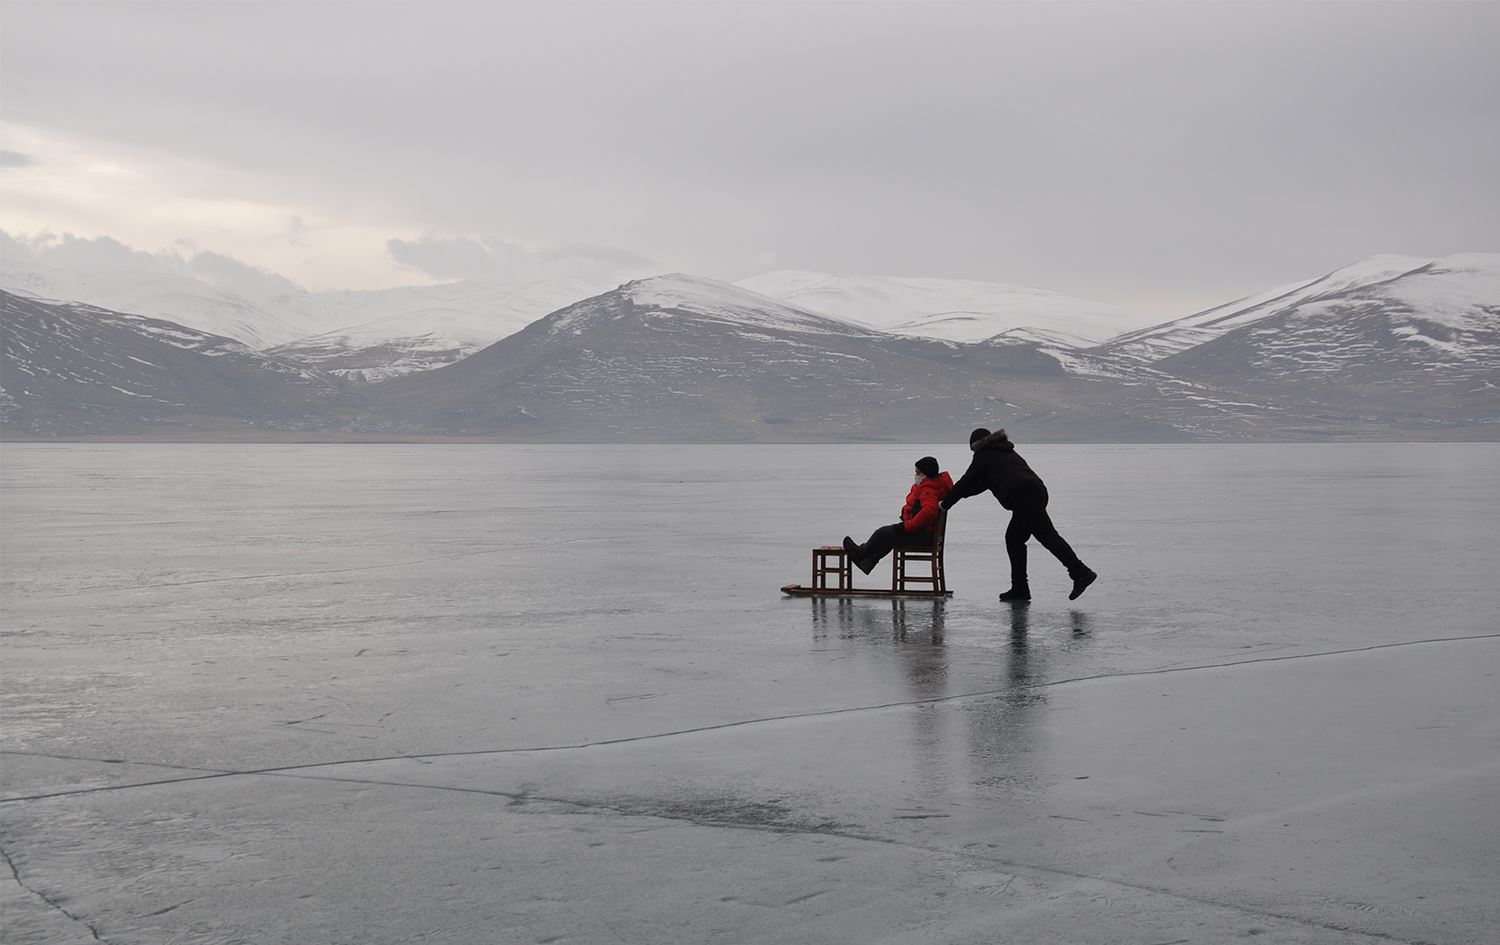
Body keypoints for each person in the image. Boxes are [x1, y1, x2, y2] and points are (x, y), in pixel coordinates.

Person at [940, 427, 1097, 601]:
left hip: (1024, 498)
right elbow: (981, 485)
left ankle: (1080, 572)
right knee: (1014, 539)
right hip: (1035, 493)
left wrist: (945, 504)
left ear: (976, 446)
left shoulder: (984, 456)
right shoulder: (1004, 451)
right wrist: (954, 497)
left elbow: (966, 481)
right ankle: (1020, 588)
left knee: (1047, 536)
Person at [842, 457, 954, 575]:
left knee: (883, 533)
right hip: (926, 533)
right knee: (889, 536)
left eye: (918, 473)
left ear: (926, 474)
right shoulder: (930, 486)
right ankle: (868, 562)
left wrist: (907, 526)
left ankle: (860, 553)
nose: (916, 475)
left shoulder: (929, 490)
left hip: (923, 535)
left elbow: (929, 512)